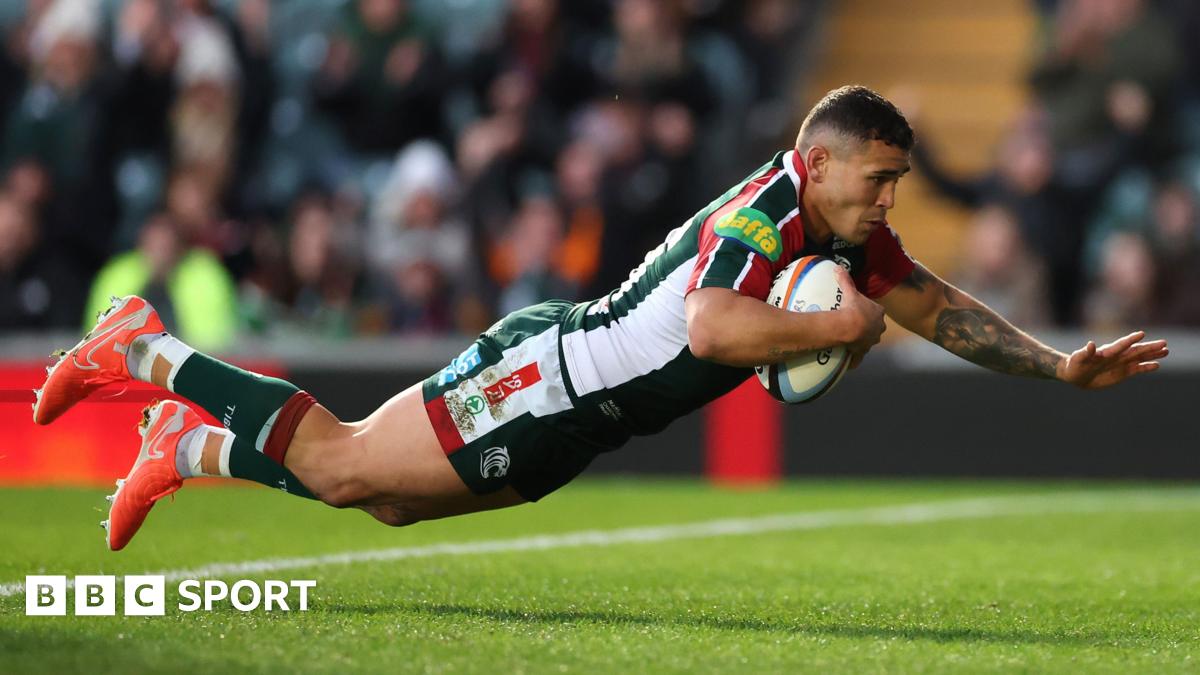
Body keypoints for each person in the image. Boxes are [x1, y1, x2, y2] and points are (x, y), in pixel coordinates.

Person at [33, 86, 1169, 551]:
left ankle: (187, 446)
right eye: (877, 179)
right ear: (818, 163)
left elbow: (937, 306)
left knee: (383, 500)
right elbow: (714, 328)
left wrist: (1058, 367)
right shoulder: (768, 215)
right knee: (338, 463)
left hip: (587, 419)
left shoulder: (846, 232)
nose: (887, 200)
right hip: (549, 376)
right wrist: (834, 331)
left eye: (895, 183)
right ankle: (146, 347)